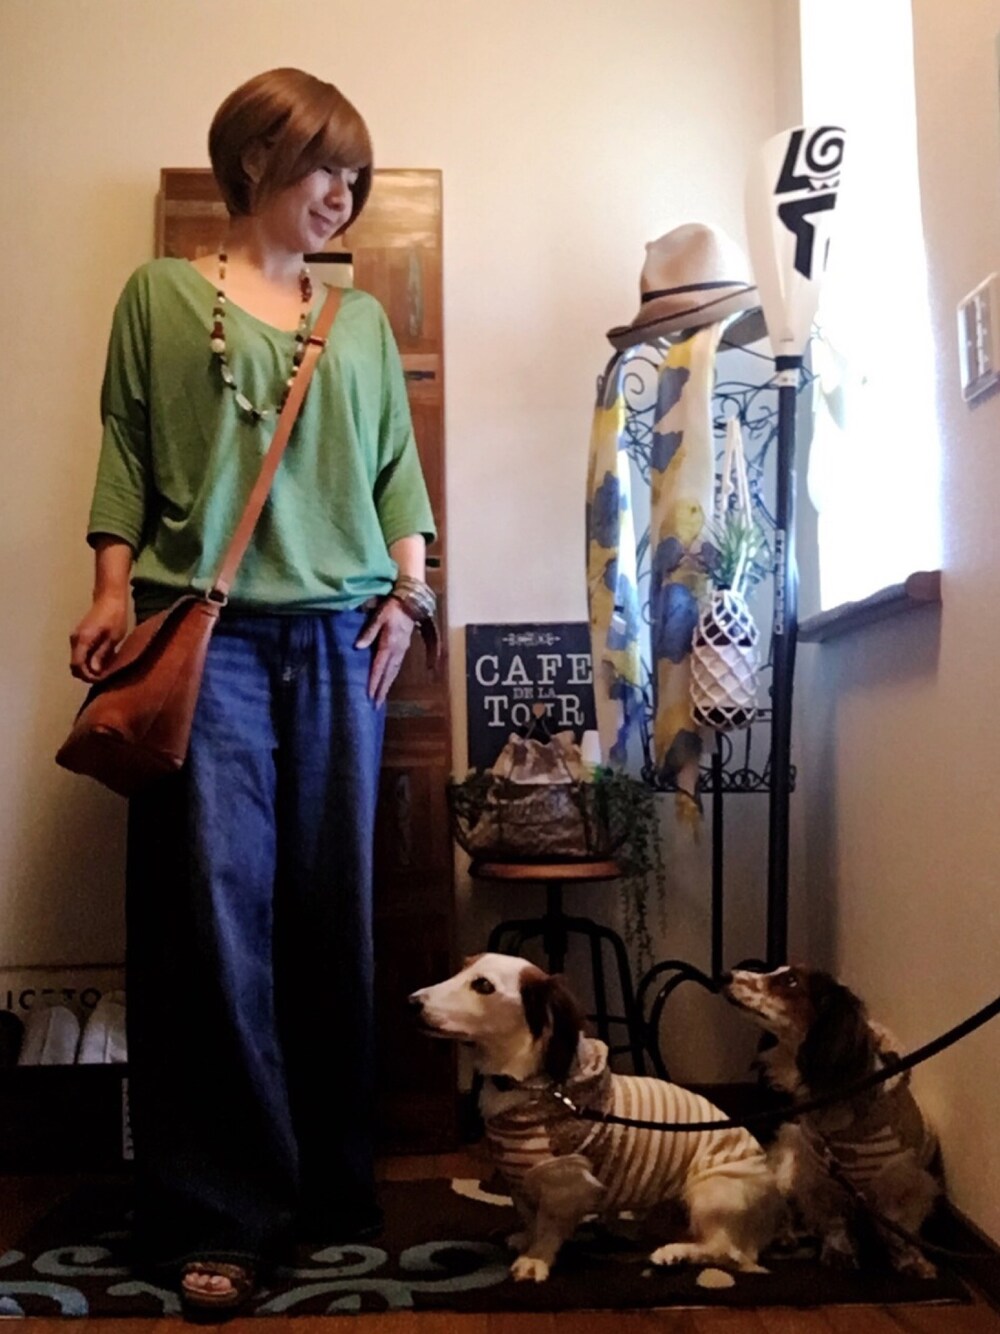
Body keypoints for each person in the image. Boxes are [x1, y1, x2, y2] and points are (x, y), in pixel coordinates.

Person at [68, 68, 436, 1318]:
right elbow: (126, 446)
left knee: (331, 907)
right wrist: (110, 589)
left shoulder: (364, 323)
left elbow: (395, 472)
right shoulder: (160, 297)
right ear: (255, 160)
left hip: (341, 639)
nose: (342, 192)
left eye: (355, 175)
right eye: (325, 165)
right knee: (211, 922)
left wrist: (410, 595)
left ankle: (326, 1183)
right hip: (204, 636)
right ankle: (219, 1210)